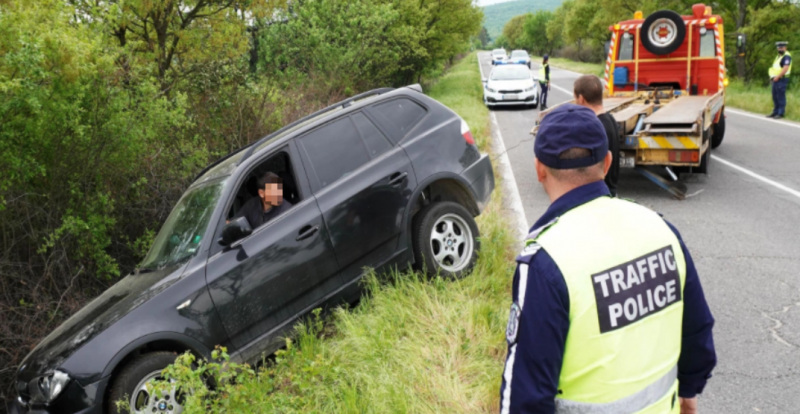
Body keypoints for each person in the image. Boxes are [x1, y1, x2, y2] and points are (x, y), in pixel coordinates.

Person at [499, 104, 716, 414]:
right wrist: (689, 392)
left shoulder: (546, 263)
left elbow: (525, 397)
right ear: (608, 162)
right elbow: (697, 331)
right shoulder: (662, 230)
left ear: (539, 169)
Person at [574, 74, 620, 196]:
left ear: (581, 99)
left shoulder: (594, 127)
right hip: (610, 191)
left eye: (575, 99)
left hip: (597, 195)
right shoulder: (611, 120)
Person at [768, 41, 792, 119]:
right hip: (775, 79)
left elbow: (785, 68)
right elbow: (775, 68)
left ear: (785, 48)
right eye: (779, 47)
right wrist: (772, 77)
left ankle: (780, 113)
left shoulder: (786, 56)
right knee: (775, 96)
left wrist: (778, 77)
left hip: (781, 79)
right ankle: (775, 112)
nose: (780, 49)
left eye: (781, 47)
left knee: (780, 96)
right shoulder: (779, 56)